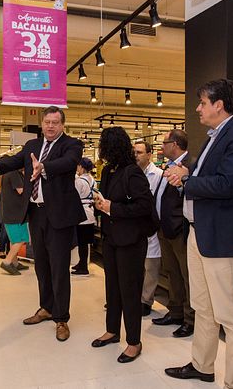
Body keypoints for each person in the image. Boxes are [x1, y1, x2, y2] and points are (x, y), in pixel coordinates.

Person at [163, 79, 233, 388]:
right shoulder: (212, 137)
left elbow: (227, 183)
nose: (198, 108)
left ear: (219, 104)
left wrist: (186, 182)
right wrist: (187, 174)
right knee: (202, 307)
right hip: (199, 231)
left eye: (202, 102)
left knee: (231, 317)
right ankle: (202, 365)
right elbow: (209, 176)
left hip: (222, 237)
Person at [0, 106, 85, 342]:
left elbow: (68, 162)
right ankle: (47, 307)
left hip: (59, 214)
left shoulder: (72, 145)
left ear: (62, 125)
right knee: (41, 265)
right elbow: (13, 161)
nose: (50, 126)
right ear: (41, 124)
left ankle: (61, 318)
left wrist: (44, 167)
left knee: (59, 268)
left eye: (55, 122)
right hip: (36, 213)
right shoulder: (32, 145)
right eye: (47, 122)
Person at [91, 127, 155, 363]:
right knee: (112, 288)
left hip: (131, 240)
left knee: (130, 291)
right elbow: (108, 200)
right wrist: (100, 204)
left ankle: (134, 342)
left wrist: (112, 208)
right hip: (111, 237)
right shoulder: (109, 171)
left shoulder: (132, 173)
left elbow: (144, 206)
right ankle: (112, 330)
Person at [151, 129, 195, 338]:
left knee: (187, 276)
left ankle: (190, 319)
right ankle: (175, 311)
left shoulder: (190, 166)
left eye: (165, 142)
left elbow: (189, 193)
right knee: (172, 273)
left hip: (180, 230)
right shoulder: (168, 167)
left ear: (175, 144)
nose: (162, 147)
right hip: (165, 229)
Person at [132, 141, 162, 317]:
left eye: (140, 152)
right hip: (135, 226)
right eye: (134, 152)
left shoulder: (158, 174)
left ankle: (146, 300)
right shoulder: (132, 173)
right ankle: (134, 297)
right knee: (135, 265)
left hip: (151, 225)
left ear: (149, 154)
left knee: (151, 266)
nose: (136, 155)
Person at [0, 168, 31, 275]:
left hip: (10, 212)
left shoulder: (8, 173)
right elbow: (21, 190)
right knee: (21, 239)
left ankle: (15, 263)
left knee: (14, 240)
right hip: (16, 213)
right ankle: (7, 262)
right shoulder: (14, 173)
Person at [72, 157, 96, 275]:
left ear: (81, 167)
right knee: (85, 242)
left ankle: (83, 267)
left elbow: (74, 196)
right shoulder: (92, 179)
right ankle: (82, 263)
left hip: (81, 213)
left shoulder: (79, 181)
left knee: (81, 241)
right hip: (90, 212)